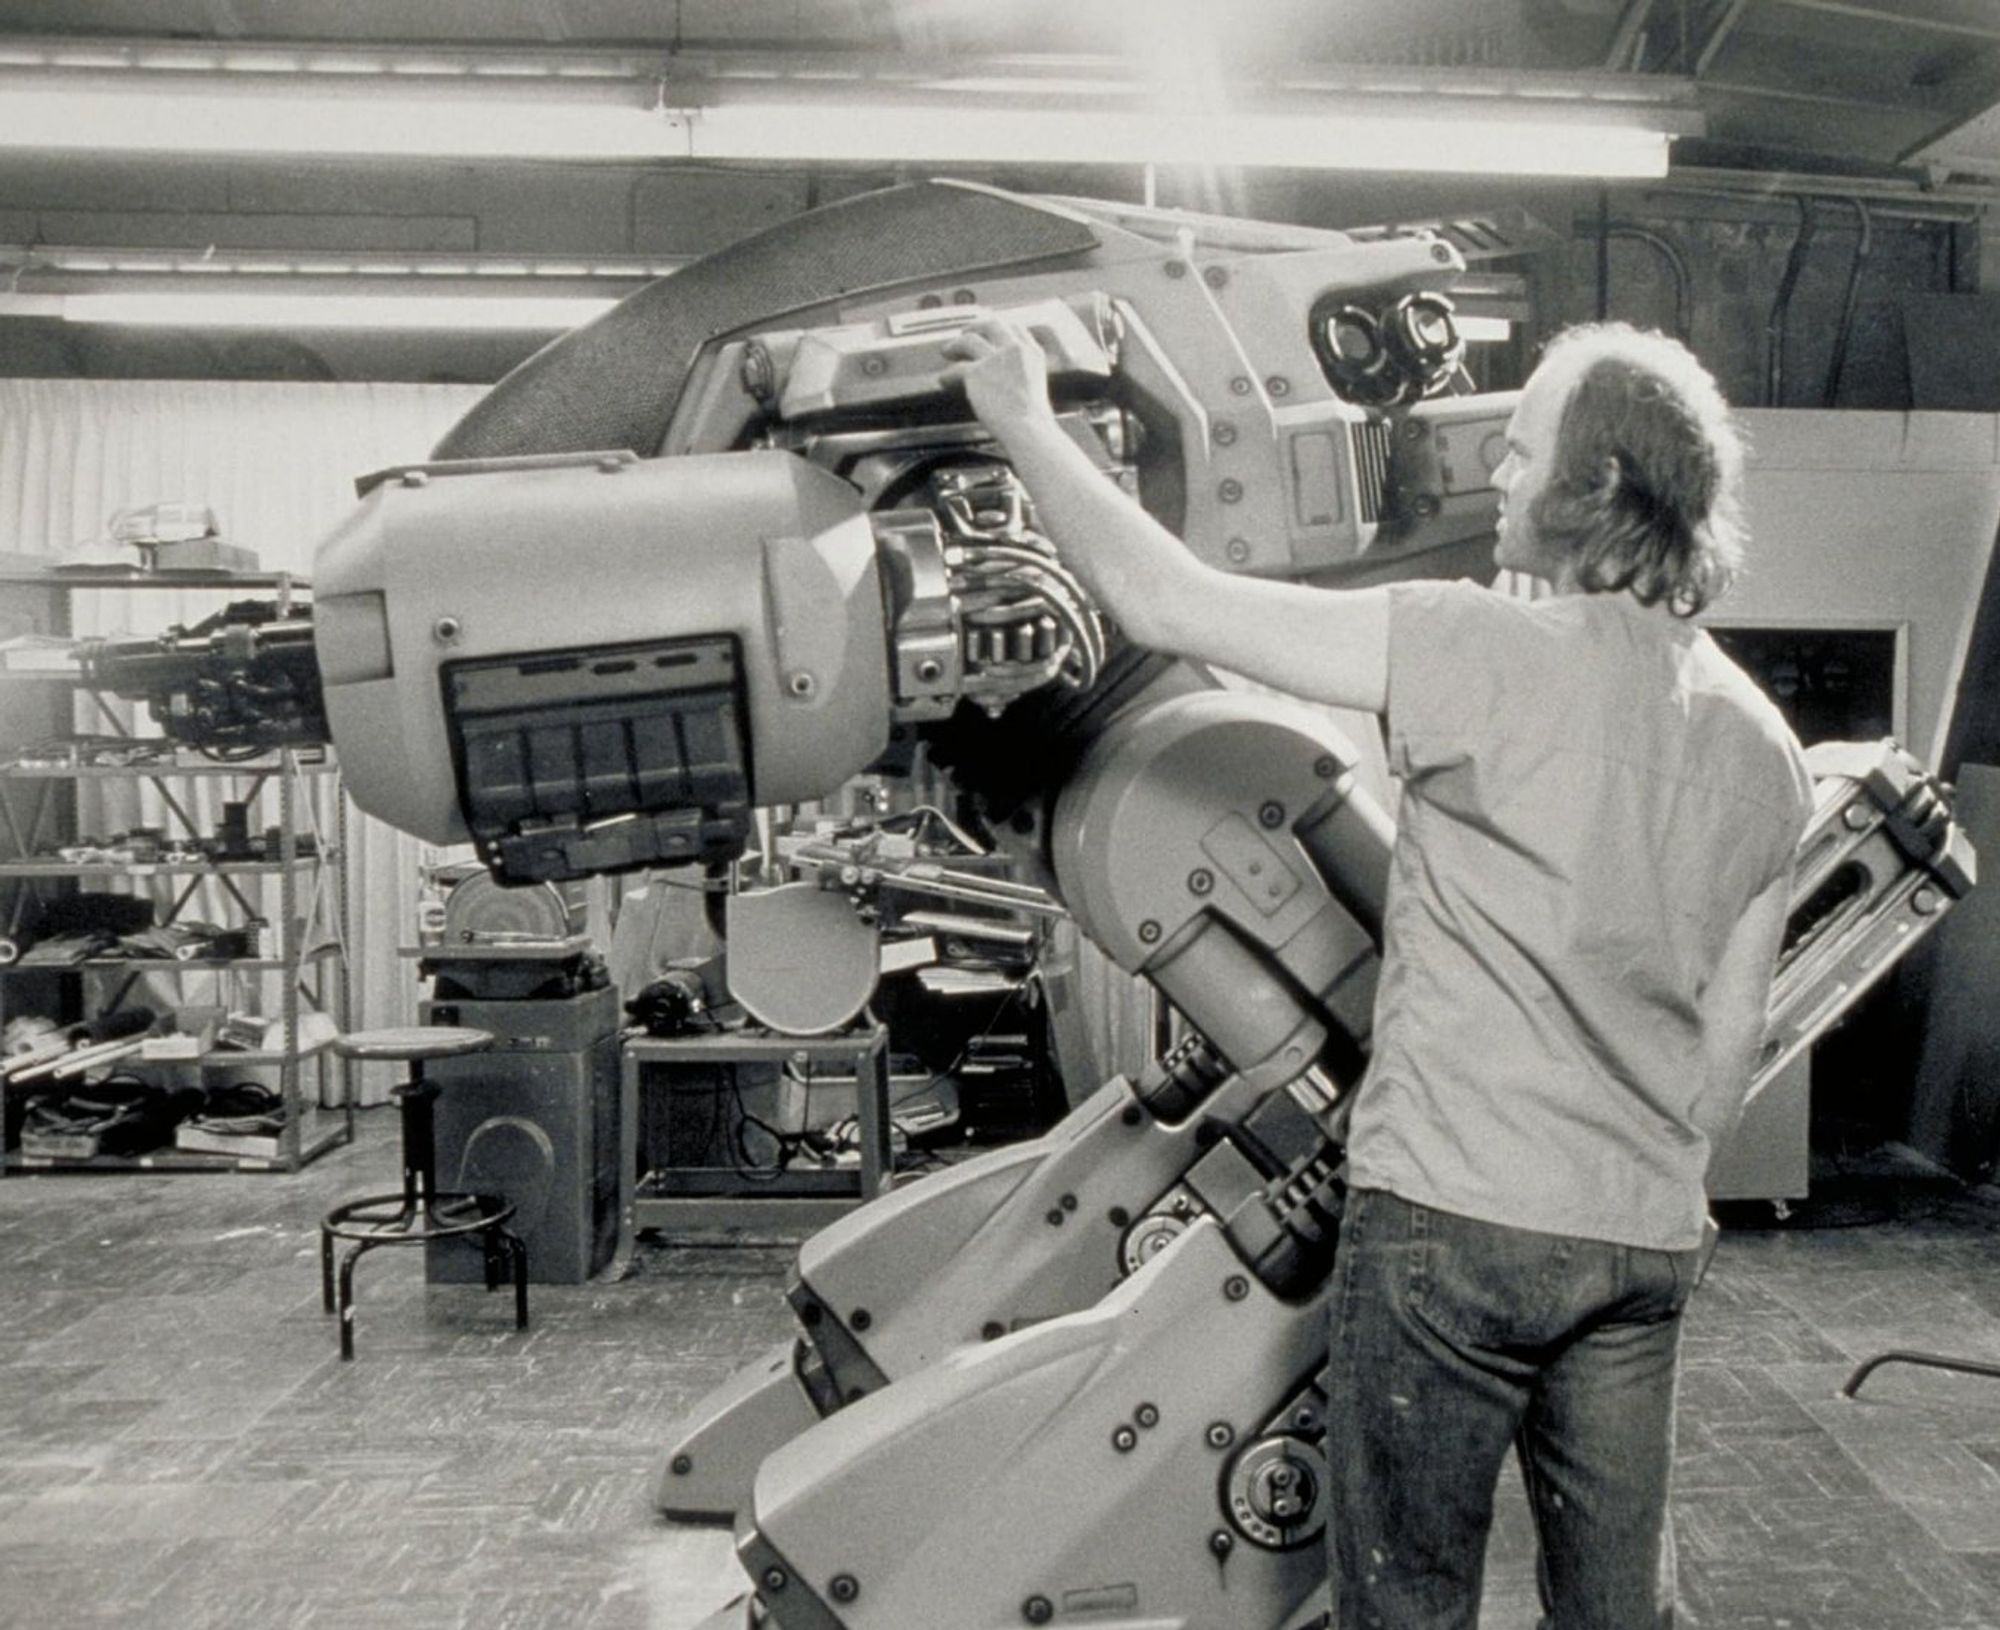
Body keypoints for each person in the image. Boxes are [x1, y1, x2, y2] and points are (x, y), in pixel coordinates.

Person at [941, 316, 1815, 1629]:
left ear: (1588, 491)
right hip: (1634, 1240)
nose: (1501, 481)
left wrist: (1024, 419)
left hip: (1450, 1227)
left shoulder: (1477, 646)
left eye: (1520, 458)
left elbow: (1172, 605)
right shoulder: (1766, 750)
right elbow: (1720, 1080)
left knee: (1405, 1608)